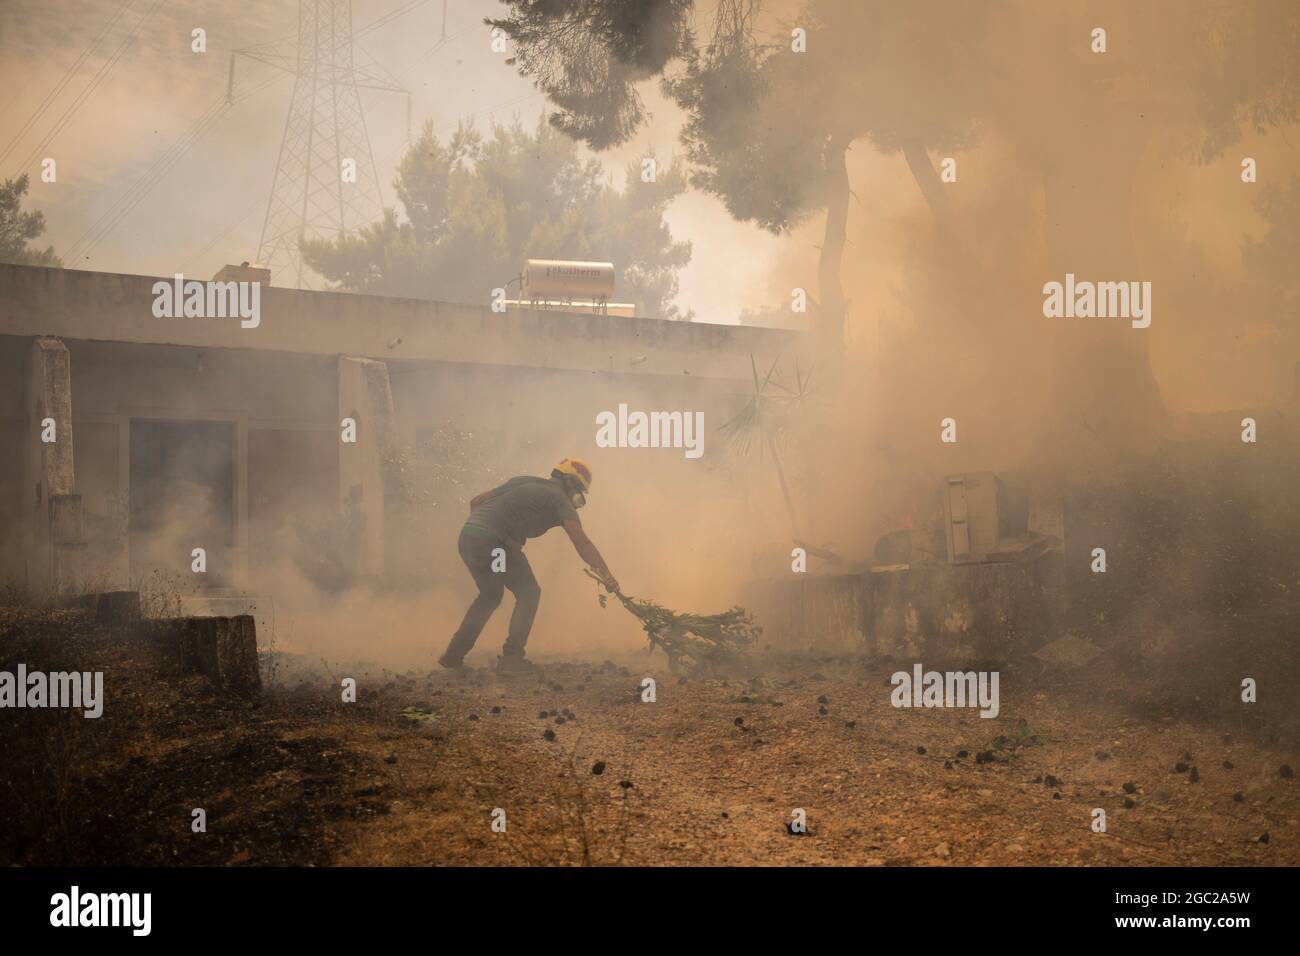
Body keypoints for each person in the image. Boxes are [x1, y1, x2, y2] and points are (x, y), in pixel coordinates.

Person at [439, 458, 618, 674]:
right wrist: (606, 574)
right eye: (579, 492)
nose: (577, 500)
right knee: (529, 593)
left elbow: (476, 502)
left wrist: (482, 533)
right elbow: (581, 542)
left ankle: (453, 656)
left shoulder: (522, 481)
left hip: (469, 537)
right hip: (496, 545)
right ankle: (512, 659)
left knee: (490, 595)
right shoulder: (560, 499)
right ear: (570, 482)